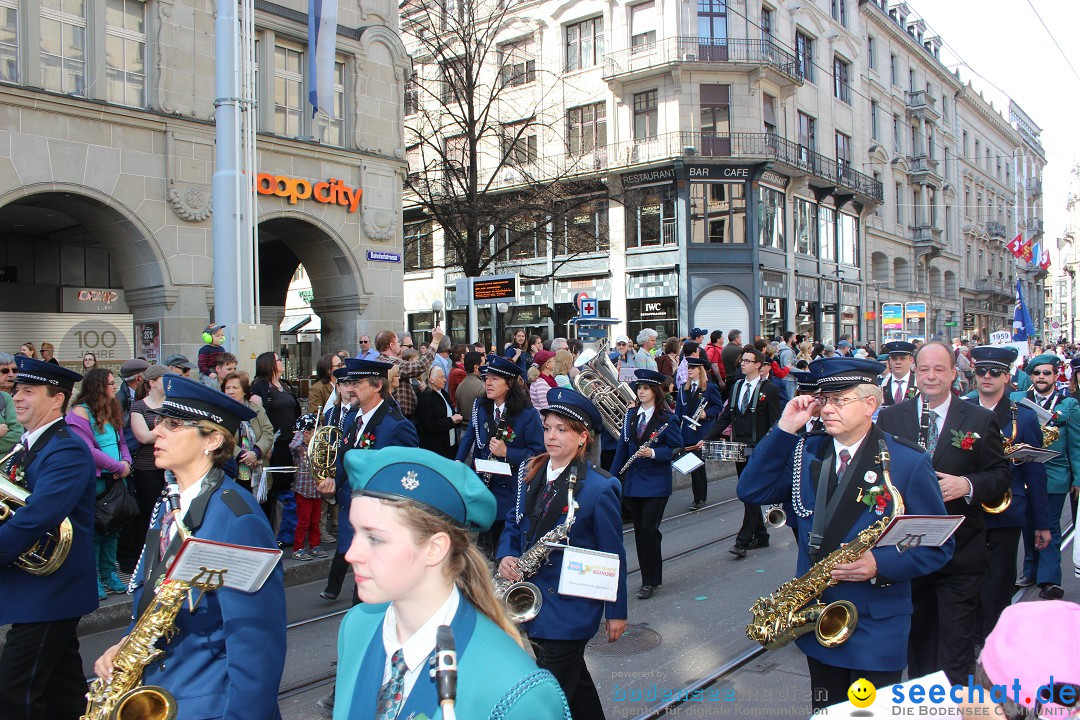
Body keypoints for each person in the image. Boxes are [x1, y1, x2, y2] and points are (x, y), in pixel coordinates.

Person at [737, 357, 953, 710]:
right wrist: (785, 428)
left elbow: (937, 545)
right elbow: (751, 490)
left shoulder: (906, 462)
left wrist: (879, 564)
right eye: (825, 400)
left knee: (871, 715)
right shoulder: (804, 451)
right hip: (817, 620)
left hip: (876, 625)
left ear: (870, 404)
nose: (828, 409)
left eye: (840, 400)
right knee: (825, 711)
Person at [93, 375, 286, 720]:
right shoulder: (169, 503)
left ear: (212, 439)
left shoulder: (237, 518)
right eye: (160, 422)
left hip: (210, 706)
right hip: (163, 691)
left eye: (174, 424)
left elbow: (256, 643)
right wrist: (125, 643)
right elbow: (154, 599)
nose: (158, 432)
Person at [333, 446, 570, 719]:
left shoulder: (518, 691)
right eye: (355, 532)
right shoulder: (358, 625)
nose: (351, 554)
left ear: (435, 549)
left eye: (375, 538)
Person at [876, 340, 1010, 685]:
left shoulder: (979, 418)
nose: (931, 376)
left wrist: (967, 484)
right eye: (924, 369)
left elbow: (999, 476)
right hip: (909, 554)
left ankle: (957, 705)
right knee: (917, 644)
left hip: (961, 554)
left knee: (955, 649)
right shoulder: (892, 417)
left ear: (954, 373)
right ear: (914, 372)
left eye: (939, 369)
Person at [496, 388, 627, 717]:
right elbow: (515, 523)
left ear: (583, 438)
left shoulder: (600, 487)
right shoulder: (531, 469)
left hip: (571, 608)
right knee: (576, 688)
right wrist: (506, 555)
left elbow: (613, 555)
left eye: (562, 430)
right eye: (547, 428)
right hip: (534, 602)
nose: (551, 436)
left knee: (548, 699)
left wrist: (617, 611)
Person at [0, 357, 96, 720]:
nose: (18, 397)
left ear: (56, 400)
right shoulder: (29, 445)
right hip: (39, 591)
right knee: (65, 694)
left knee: (14, 696)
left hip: (50, 592)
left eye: (28, 391)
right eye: (16, 390)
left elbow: (37, 517)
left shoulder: (66, 449)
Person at [967, 346, 1049, 642]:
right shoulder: (960, 409)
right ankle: (972, 638)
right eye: (981, 372)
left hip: (1007, 512)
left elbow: (1035, 473)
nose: (987, 377)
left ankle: (995, 640)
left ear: (1007, 376)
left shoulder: (1024, 418)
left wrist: (1041, 524)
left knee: (999, 582)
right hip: (968, 509)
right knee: (966, 579)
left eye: (995, 372)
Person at [330, 358, 420, 601]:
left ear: (377, 386)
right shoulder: (350, 419)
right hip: (352, 517)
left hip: (380, 526)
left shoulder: (397, 426)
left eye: (357, 383)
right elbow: (344, 461)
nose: (350, 389)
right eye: (349, 383)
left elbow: (406, 480)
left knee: (368, 598)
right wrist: (331, 484)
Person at [456, 355, 545, 556]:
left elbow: (539, 453)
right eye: (487, 378)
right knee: (482, 550)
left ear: (509, 383)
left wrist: (508, 453)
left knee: (505, 549)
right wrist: (458, 463)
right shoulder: (481, 407)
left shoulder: (526, 414)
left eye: (495, 379)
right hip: (485, 489)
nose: (488, 383)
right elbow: (471, 437)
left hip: (511, 491)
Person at [1011, 353, 1080, 600]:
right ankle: (1030, 570)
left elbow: (1076, 444)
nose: (1042, 377)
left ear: (1055, 376)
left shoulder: (1068, 404)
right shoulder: (1017, 399)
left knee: (1050, 527)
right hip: (1022, 473)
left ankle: (1050, 579)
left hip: (1054, 475)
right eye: (1037, 373)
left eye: (1047, 373)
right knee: (1027, 525)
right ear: (1031, 376)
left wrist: (1078, 478)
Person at [612, 369, 683, 599]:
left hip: (656, 483)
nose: (641, 392)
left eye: (645, 388)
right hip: (633, 482)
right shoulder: (630, 415)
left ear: (655, 391)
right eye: (639, 388)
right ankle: (652, 574)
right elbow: (623, 448)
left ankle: (649, 581)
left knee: (648, 530)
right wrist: (612, 478)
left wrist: (654, 452)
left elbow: (676, 448)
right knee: (642, 532)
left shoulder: (666, 418)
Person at [706, 346, 782, 558]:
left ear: (758, 364)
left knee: (749, 491)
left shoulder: (770, 390)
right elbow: (726, 416)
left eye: (748, 361)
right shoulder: (737, 386)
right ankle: (761, 535)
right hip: (739, 448)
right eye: (742, 361)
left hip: (759, 449)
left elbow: (775, 422)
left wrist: (771, 450)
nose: (743, 364)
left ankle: (742, 540)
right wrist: (707, 438)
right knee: (748, 492)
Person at [65, 366, 133, 599]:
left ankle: (108, 574)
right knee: (94, 531)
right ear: (98, 387)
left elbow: (121, 441)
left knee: (113, 528)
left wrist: (126, 462)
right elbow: (88, 449)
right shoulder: (80, 412)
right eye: (111, 383)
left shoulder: (113, 407)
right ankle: (92, 577)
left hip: (116, 479)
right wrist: (117, 467)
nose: (115, 386)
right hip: (96, 481)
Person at [120, 363, 170, 574]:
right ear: (152, 382)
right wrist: (167, 428)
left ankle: (166, 557)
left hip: (170, 467)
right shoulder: (138, 406)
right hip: (147, 468)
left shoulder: (172, 403)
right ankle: (145, 561)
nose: (168, 384)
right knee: (150, 514)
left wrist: (158, 431)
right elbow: (143, 437)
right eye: (164, 380)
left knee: (170, 513)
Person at [250, 350, 301, 527]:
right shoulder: (259, 387)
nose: (281, 362)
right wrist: (266, 446)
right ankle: (272, 527)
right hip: (274, 445)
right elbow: (257, 420)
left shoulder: (285, 385)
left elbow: (295, 411)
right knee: (275, 485)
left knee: (289, 484)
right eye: (278, 360)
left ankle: (287, 527)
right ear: (269, 364)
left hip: (291, 443)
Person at [676, 357, 722, 511]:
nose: (690, 370)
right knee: (691, 465)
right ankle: (698, 496)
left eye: (693, 368)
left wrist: (706, 414)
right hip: (687, 431)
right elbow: (679, 411)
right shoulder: (683, 388)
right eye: (689, 368)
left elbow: (718, 407)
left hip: (702, 431)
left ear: (700, 370)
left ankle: (699, 498)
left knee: (698, 466)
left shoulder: (710, 387)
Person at [221, 370, 274, 491]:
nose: (230, 391)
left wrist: (256, 452)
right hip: (234, 468)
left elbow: (268, 432)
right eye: (227, 387)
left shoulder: (257, 409)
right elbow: (222, 437)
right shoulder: (221, 412)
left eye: (235, 387)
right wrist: (243, 455)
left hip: (258, 465)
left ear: (244, 390)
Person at [375, 327, 441, 421]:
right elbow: (419, 366)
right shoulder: (389, 363)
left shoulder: (383, 360)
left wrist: (419, 383)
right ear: (392, 345)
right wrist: (435, 341)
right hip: (401, 416)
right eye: (398, 342)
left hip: (402, 415)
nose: (399, 345)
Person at [290, 413, 328, 560]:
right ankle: (297, 548)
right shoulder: (300, 449)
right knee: (303, 522)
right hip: (303, 491)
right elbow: (292, 445)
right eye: (315, 432)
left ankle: (314, 546)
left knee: (315, 521)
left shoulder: (319, 448)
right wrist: (302, 434)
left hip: (316, 490)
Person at [415, 365, 462, 459]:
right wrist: (451, 420)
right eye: (441, 377)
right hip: (435, 448)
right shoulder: (425, 397)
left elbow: (450, 414)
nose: (445, 380)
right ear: (431, 379)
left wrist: (456, 420)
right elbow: (430, 425)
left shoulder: (444, 393)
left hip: (450, 444)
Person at [879, 341, 919, 407]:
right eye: (894, 359)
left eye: (902, 359)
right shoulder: (884, 383)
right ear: (890, 361)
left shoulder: (918, 383)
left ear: (911, 360)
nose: (898, 362)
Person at [0, 351, 23, 456]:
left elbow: (17, 433)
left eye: (14, 370)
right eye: (5, 371)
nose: (11, 374)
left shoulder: (25, 396)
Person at [455, 351, 485, 429]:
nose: (485, 367)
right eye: (483, 365)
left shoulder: (460, 385)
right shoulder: (481, 386)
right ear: (476, 367)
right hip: (475, 430)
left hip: (463, 428)